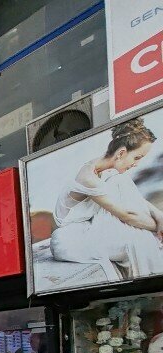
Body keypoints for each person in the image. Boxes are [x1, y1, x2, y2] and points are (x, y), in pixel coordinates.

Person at [49, 118, 163, 280]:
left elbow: (136, 202)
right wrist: (156, 227)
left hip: (92, 226)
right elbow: (127, 215)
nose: (136, 164)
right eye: (137, 157)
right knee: (141, 240)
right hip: (71, 237)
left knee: (120, 181)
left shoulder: (107, 171)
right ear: (121, 153)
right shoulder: (88, 177)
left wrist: (159, 216)